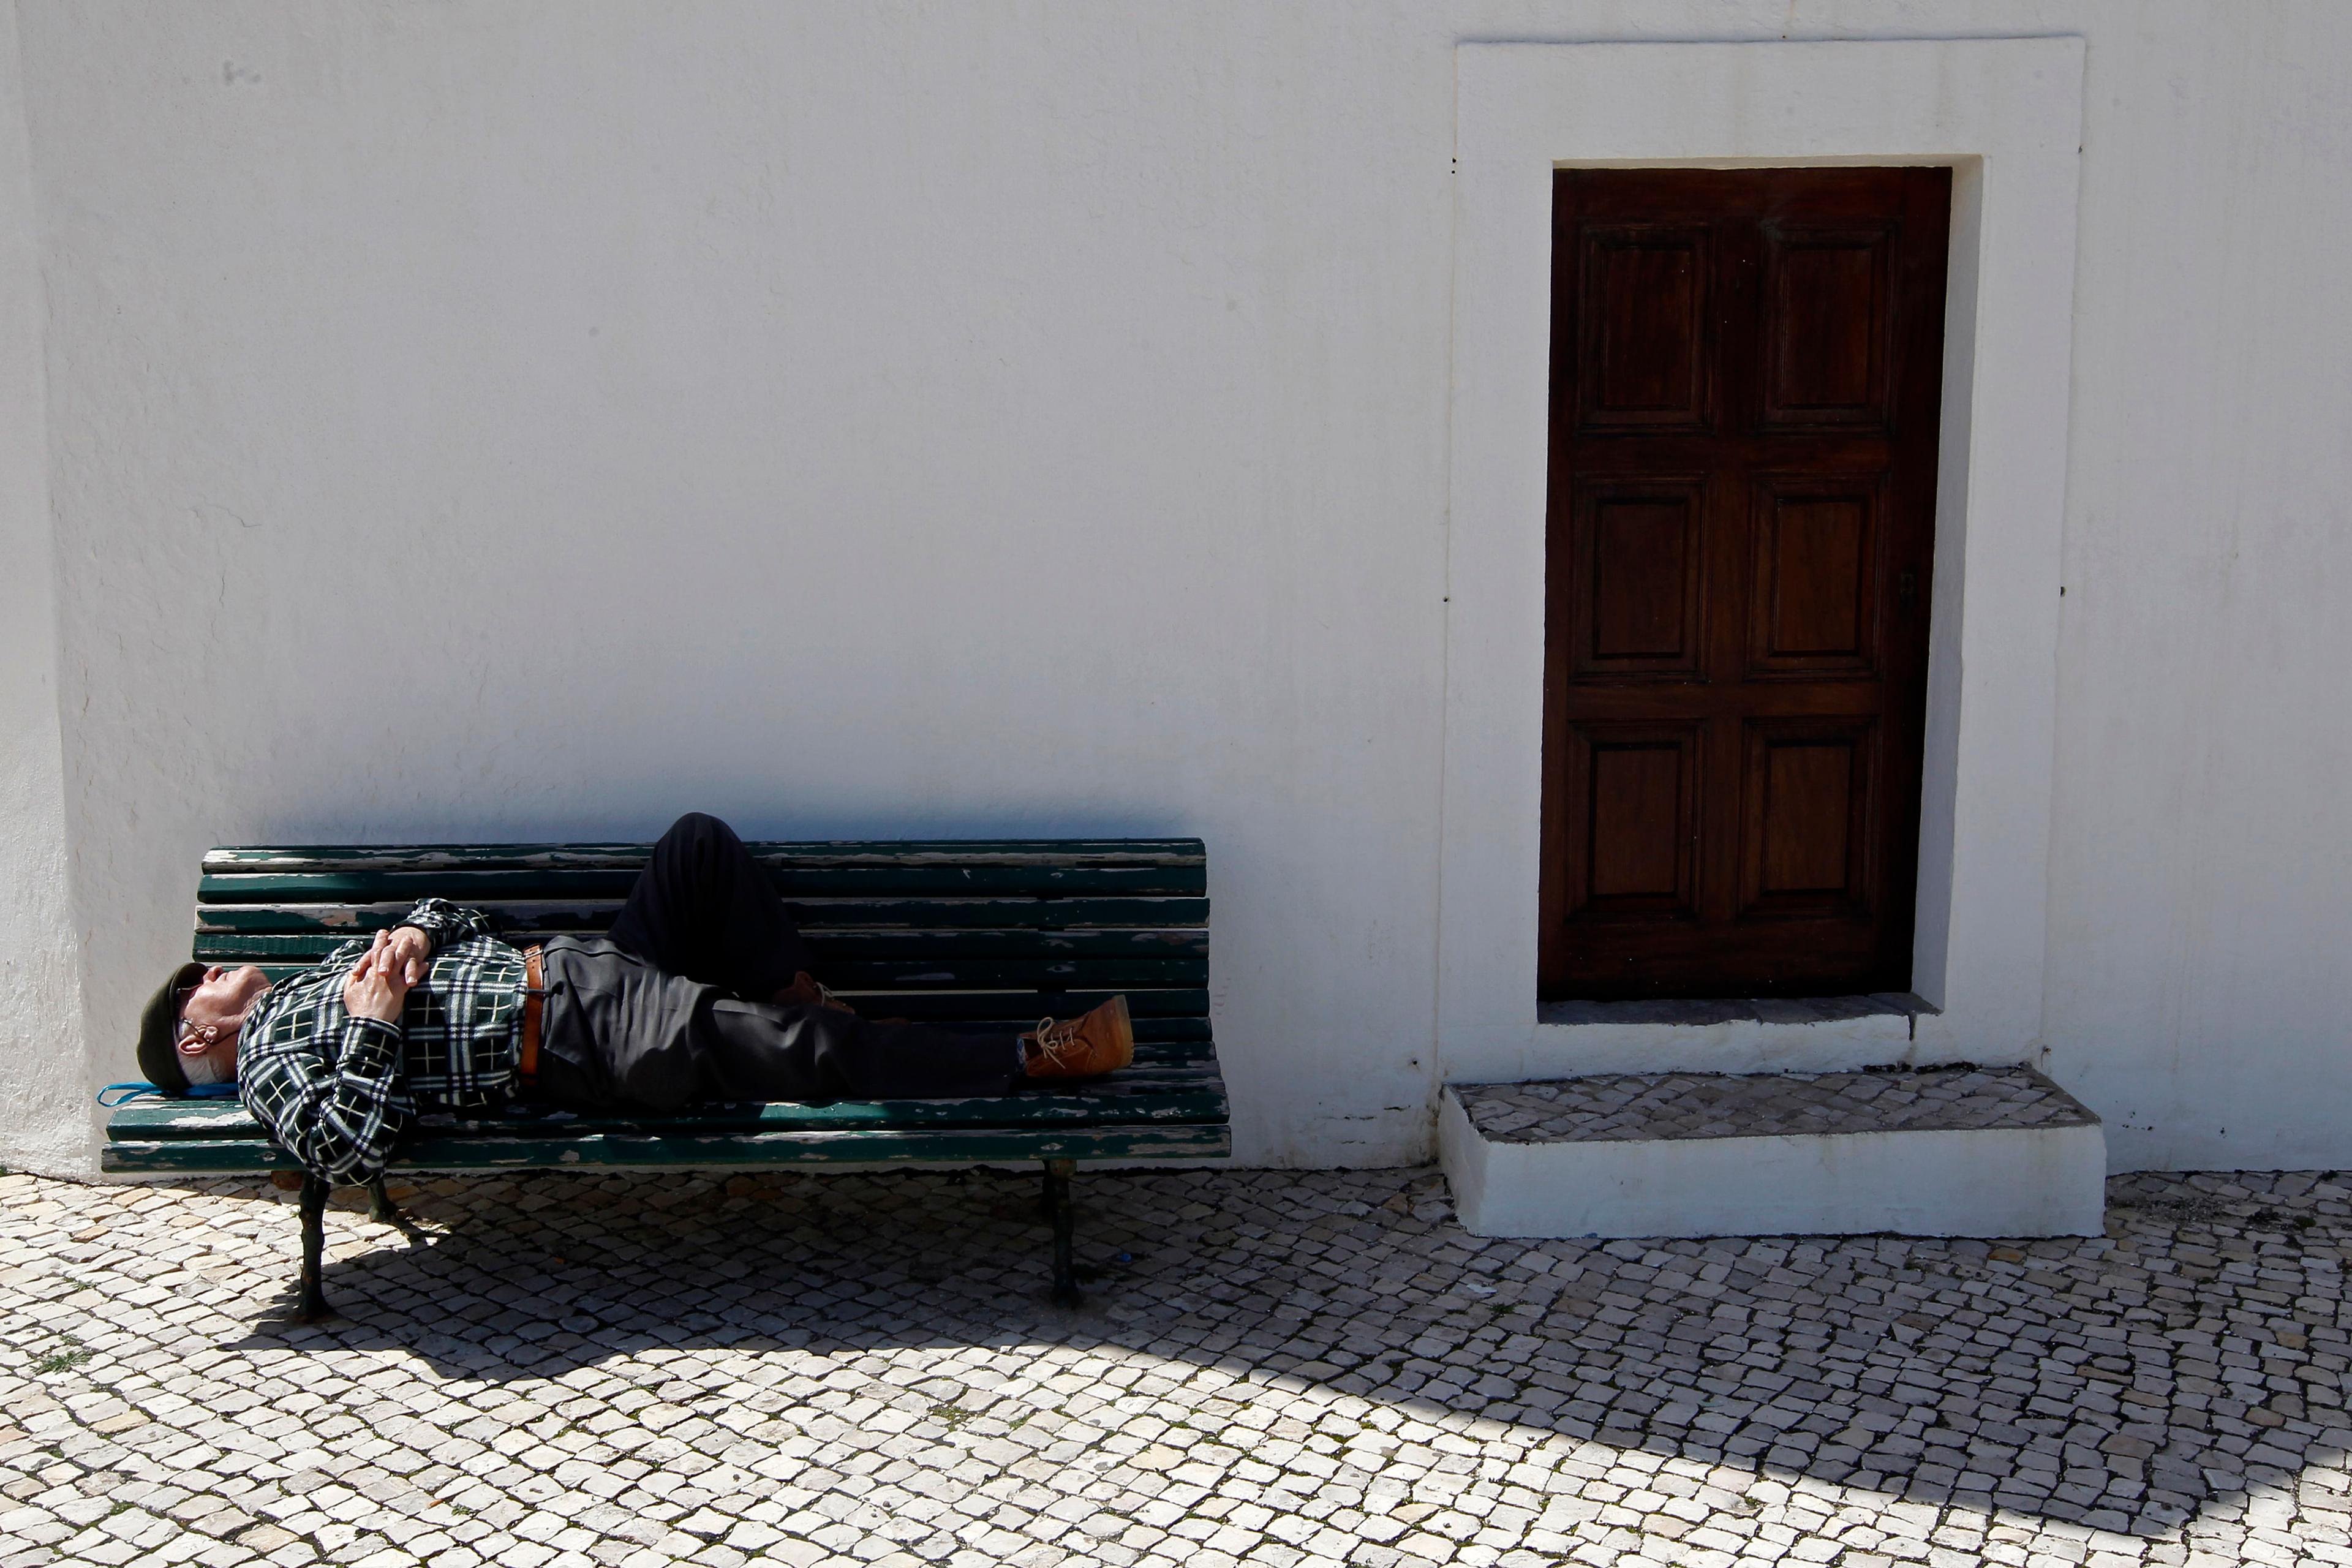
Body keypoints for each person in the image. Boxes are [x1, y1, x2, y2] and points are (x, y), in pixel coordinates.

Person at [134, 813, 1133, 1184]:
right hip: (579, 1039)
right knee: (803, 1052)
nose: (215, 968)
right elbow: (344, 1148)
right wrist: (376, 1026)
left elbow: (457, 915)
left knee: (696, 846)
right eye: (202, 979)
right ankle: (1034, 1052)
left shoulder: (317, 979)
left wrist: (420, 930)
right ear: (198, 1027)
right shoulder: (270, 1061)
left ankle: (815, 1007)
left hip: (579, 969)